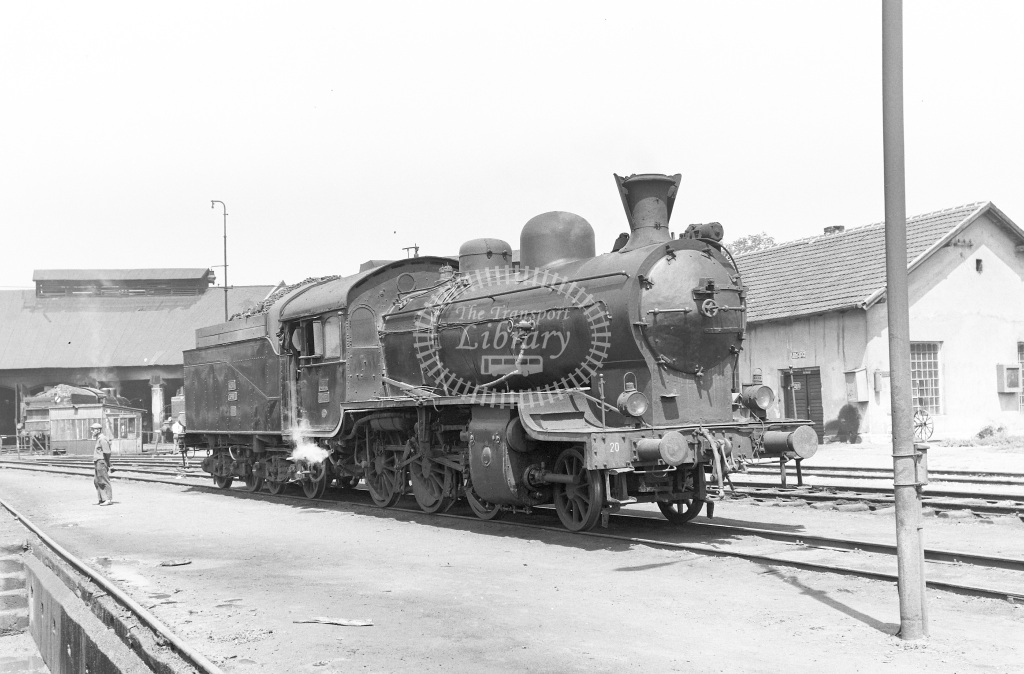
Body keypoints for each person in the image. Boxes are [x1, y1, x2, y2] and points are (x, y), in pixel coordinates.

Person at [91, 423, 113, 505]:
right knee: (97, 481)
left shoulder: (102, 439)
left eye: (93, 430)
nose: (92, 431)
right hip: (97, 462)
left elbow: (107, 452)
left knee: (104, 480)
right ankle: (102, 499)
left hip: (101, 461)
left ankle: (108, 499)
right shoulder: (98, 439)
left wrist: (108, 463)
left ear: (98, 430)